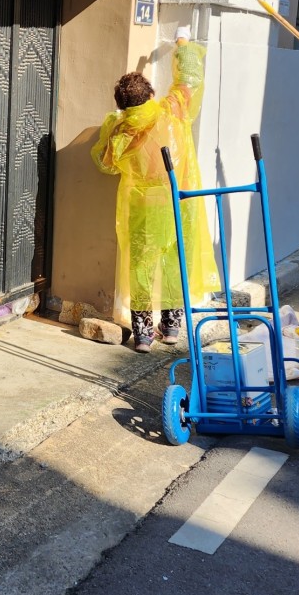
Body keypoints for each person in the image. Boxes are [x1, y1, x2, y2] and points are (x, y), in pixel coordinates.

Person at [92, 28, 221, 352]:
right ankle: (172, 326)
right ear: (150, 94)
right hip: (180, 201)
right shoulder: (172, 111)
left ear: (122, 104)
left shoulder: (120, 129)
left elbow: (105, 164)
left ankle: (144, 334)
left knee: (141, 268)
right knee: (176, 262)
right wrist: (182, 43)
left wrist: (114, 124)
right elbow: (189, 78)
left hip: (143, 208)